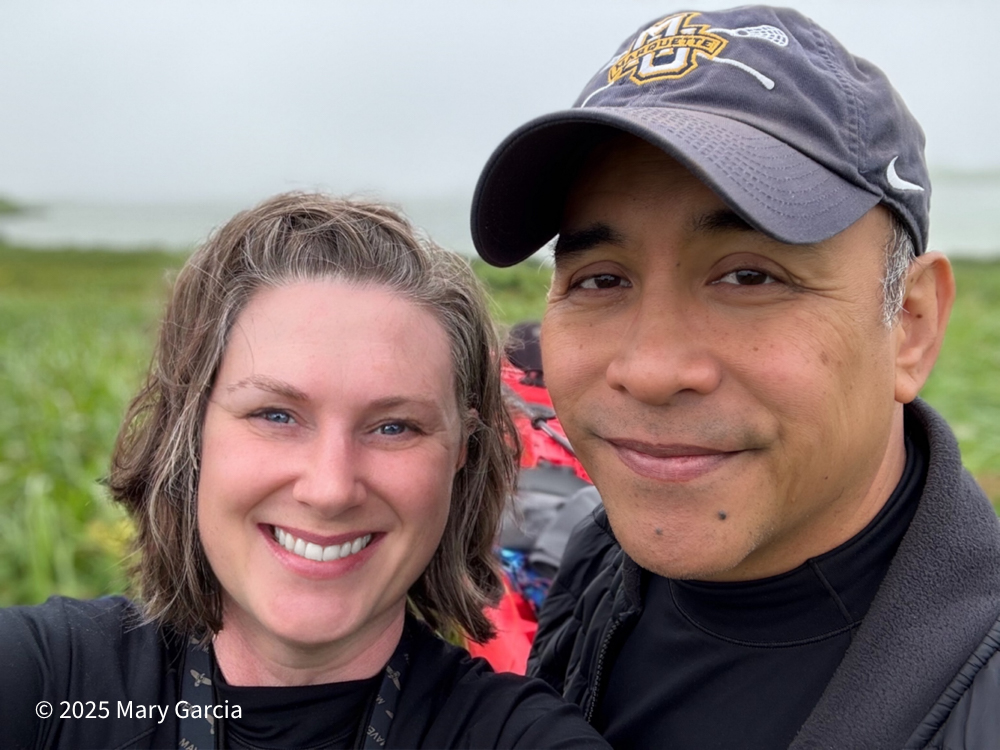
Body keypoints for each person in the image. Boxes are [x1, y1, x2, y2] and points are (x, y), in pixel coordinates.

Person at [470, 6, 1000, 749]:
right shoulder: (601, 558)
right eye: (600, 279)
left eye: (749, 276)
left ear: (911, 326)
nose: (651, 371)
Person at [0, 193, 611, 749]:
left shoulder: (517, 737)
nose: (329, 488)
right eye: (275, 414)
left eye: (394, 426)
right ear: (192, 431)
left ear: (464, 455)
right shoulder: (44, 681)